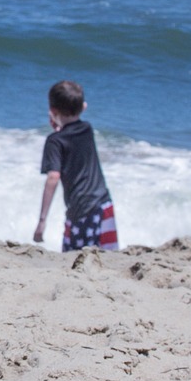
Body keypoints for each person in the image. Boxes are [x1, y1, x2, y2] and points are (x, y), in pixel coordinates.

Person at [33, 80, 119, 252]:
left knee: (74, 259)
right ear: (83, 107)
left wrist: (42, 221)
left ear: (53, 111)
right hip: (104, 204)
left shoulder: (55, 141)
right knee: (108, 256)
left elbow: (53, 177)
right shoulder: (87, 129)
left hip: (82, 212)